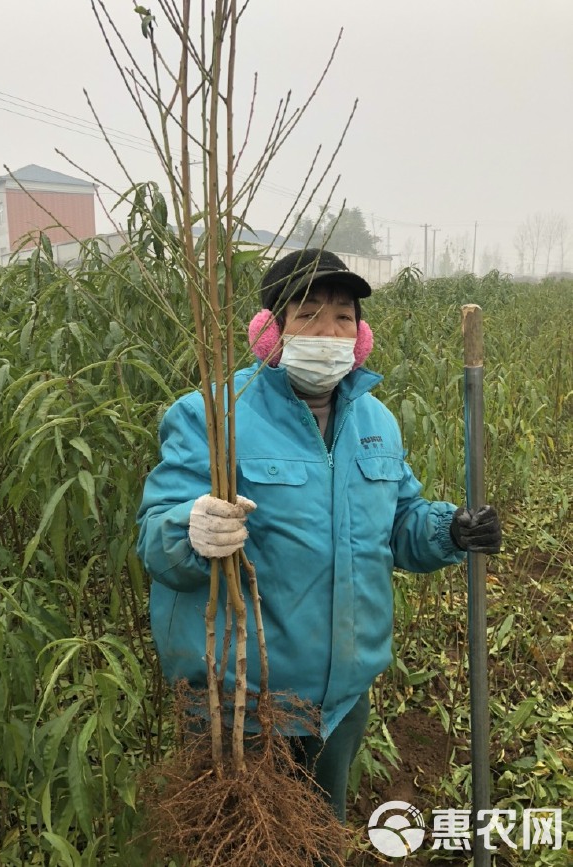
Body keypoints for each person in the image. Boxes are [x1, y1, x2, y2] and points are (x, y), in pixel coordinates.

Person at [136, 248, 502, 824]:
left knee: (320, 836)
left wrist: (450, 528)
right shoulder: (212, 415)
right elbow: (158, 541)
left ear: (361, 337)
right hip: (244, 709)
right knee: (241, 846)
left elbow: (399, 523)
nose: (328, 332)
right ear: (270, 331)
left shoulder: (375, 422)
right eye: (308, 314)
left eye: (343, 318)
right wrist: (191, 530)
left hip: (340, 702)